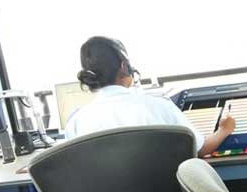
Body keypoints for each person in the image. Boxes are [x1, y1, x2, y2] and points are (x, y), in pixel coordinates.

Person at [66, 36, 235, 156]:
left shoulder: (76, 122)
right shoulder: (158, 106)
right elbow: (199, 149)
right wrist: (224, 130)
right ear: (125, 66)